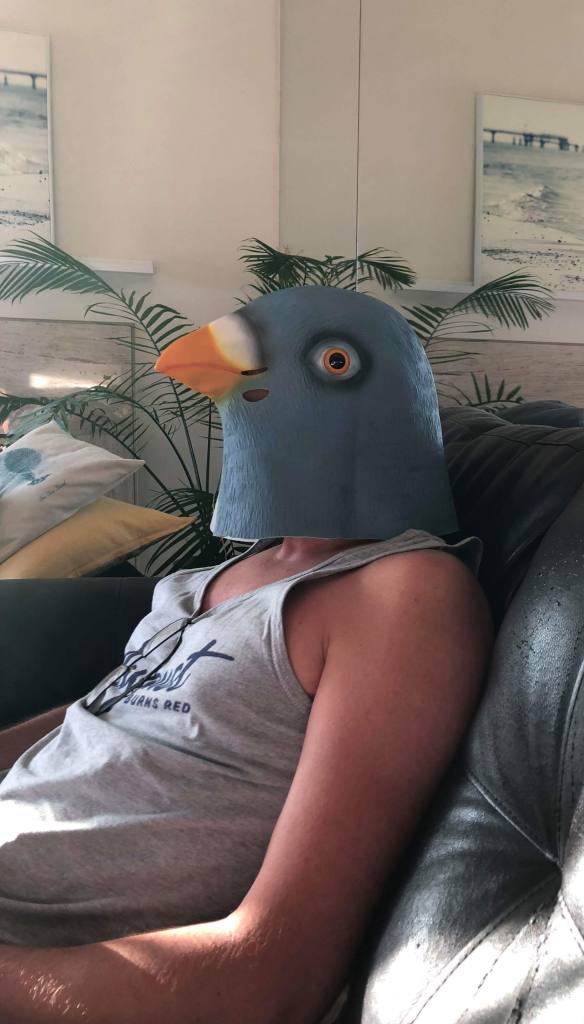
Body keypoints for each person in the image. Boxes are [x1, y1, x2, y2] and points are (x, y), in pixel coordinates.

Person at [0, 287, 493, 1023]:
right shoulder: (203, 581)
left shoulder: (401, 591)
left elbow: (270, 978)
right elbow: (108, 711)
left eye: (329, 362)